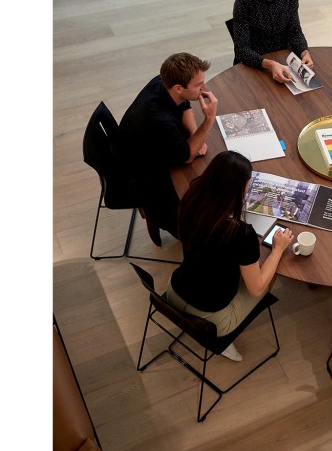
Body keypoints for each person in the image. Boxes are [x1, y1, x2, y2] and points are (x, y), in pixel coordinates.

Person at [163, 150, 294, 362]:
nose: (249, 187)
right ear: (236, 189)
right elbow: (257, 287)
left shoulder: (191, 198)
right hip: (212, 319)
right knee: (268, 276)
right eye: (248, 184)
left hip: (174, 290)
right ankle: (223, 342)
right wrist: (278, 249)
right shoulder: (241, 234)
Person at [116, 52, 219, 246]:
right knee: (199, 204)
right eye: (198, 85)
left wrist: (194, 134)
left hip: (143, 149)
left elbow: (184, 105)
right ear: (179, 88)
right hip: (144, 175)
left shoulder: (164, 80)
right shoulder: (158, 119)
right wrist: (208, 120)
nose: (204, 87)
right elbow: (187, 156)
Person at [231, 0, 314, 84]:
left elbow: (295, 30)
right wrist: (270, 64)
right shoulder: (243, 3)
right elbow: (241, 50)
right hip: (256, 63)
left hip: (284, 57)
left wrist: (304, 51)